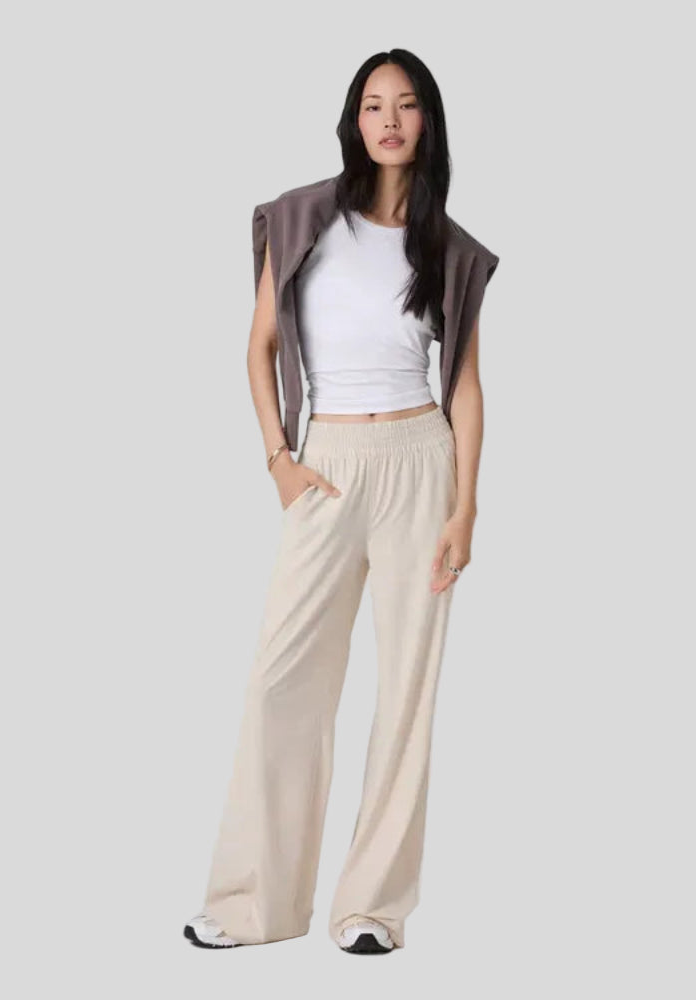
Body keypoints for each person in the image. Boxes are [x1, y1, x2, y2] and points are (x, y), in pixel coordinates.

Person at [184, 48, 498, 955]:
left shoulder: (450, 250)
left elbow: (465, 384)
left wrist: (466, 507)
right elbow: (258, 344)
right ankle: (253, 905)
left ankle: (371, 909)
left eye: (406, 104)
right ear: (354, 120)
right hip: (325, 462)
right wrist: (278, 458)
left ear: (428, 122)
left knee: (406, 691)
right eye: (373, 104)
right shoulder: (302, 219)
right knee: (284, 680)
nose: (389, 119)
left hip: (421, 463)